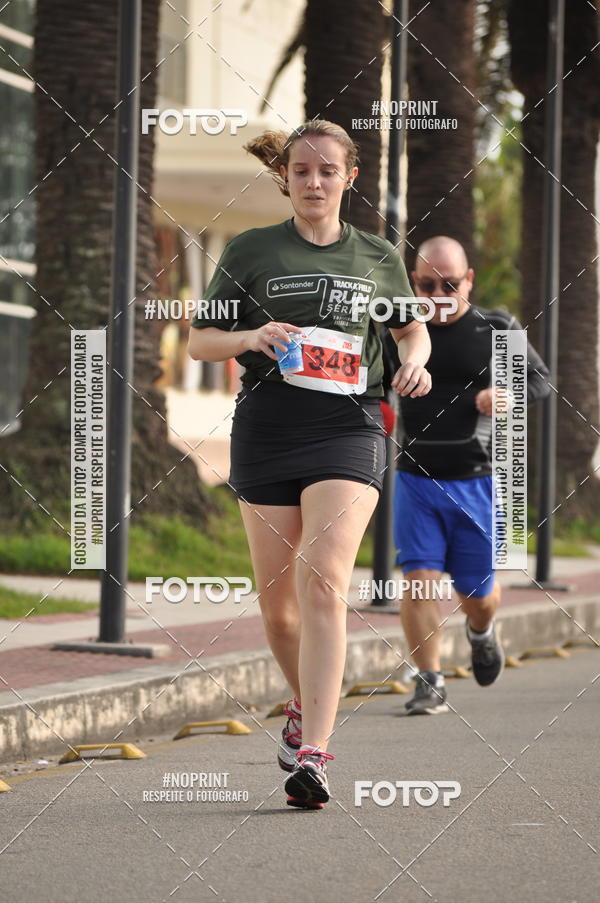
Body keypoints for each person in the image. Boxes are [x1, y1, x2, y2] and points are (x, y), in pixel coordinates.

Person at [188, 120, 431, 808]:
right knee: (278, 608)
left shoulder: (376, 254)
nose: (314, 182)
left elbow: (410, 329)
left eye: (327, 171)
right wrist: (252, 335)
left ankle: (316, 754)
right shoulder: (251, 249)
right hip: (267, 427)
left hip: (348, 426)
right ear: (285, 177)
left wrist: (414, 363)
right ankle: (302, 702)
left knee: (323, 579)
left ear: (349, 177)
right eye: (301, 171)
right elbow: (202, 341)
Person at [386, 235, 550, 714]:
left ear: (470, 281)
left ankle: (481, 631)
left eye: (450, 285)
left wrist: (508, 394)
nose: (438, 295)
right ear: (413, 282)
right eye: (426, 285)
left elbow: (541, 381)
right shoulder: (399, 328)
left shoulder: (496, 327)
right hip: (416, 479)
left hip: (480, 482)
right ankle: (429, 680)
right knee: (418, 580)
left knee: (476, 594)